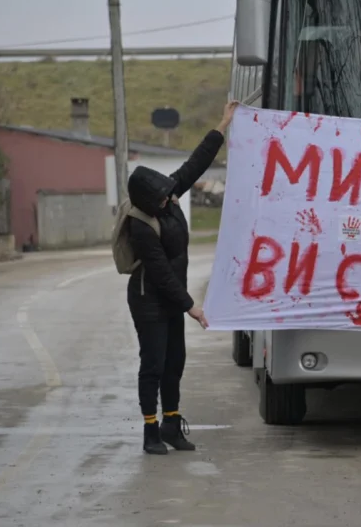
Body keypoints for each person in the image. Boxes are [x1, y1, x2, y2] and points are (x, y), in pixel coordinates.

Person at [126, 100, 238, 455]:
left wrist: (223, 124)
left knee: (176, 362)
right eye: (162, 198)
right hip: (149, 299)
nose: (170, 199)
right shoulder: (140, 224)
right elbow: (159, 271)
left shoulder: (166, 195)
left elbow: (196, 162)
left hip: (171, 298)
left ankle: (172, 425)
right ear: (147, 202)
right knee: (154, 364)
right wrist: (191, 306)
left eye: (168, 193)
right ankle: (150, 431)